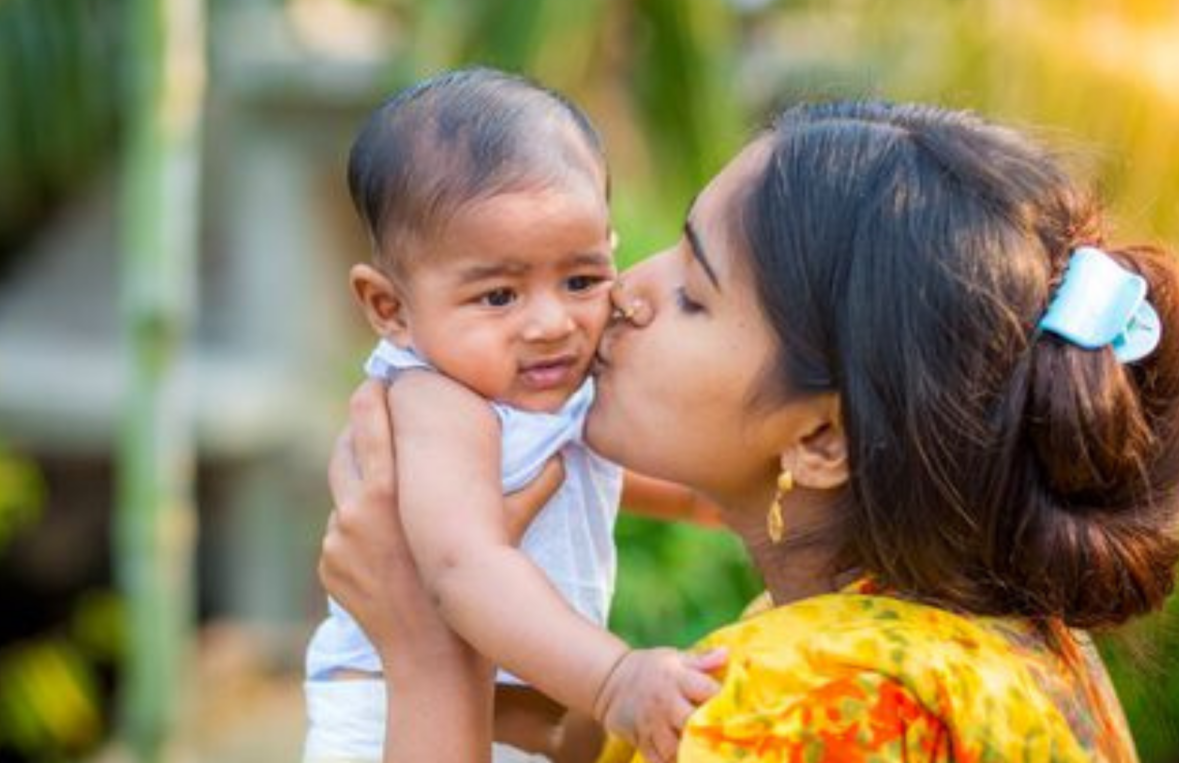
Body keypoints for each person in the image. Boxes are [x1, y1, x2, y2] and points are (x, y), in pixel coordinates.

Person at [319, 99, 1179, 763]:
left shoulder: (821, 703)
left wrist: (430, 657)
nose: (626, 294)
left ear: (820, 443)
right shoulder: (958, 635)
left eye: (695, 294)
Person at [304, 68, 724, 763]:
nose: (553, 323)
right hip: (384, 720)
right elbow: (465, 564)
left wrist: (718, 493)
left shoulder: (535, 389)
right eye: (499, 297)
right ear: (391, 308)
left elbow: (601, 473)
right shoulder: (436, 402)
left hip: (509, 723)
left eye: (582, 280)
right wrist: (614, 676)